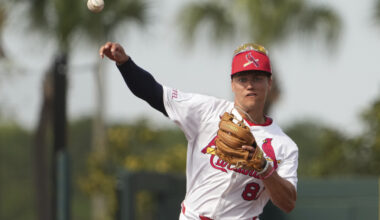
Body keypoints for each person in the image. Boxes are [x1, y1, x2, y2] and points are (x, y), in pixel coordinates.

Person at [99, 42, 298, 220]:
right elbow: (153, 92)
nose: (249, 85)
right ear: (232, 84)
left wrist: (264, 168)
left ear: (269, 83)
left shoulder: (284, 145)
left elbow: (288, 203)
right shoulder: (208, 111)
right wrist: (125, 64)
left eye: (257, 78)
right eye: (242, 79)